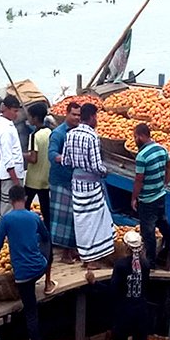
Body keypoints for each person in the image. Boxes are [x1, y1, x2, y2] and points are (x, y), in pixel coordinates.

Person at [0, 185, 51, 340]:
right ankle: (48, 282)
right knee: (48, 245)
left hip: (23, 276)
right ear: (26, 197)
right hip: (40, 267)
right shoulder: (34, 217)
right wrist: (33, 239)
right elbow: (45, 236)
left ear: (11, 201)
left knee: (31, 312)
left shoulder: (7, 220)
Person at [85, 230, 152, 340]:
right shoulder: (145, 265)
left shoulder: (121, 265)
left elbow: (112, 292)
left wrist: (94, 283)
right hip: (141, 311)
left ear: (126, 248)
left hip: (124, 312)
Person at [62, 103, 115, 268]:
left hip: (77, 185)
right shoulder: (92, 136)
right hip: (91, 187)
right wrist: (106, 171)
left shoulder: (70, 134)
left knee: (81, 221)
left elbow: (65, 160)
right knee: (95, 220)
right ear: (92, 117)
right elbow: (96, 165)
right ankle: (91, 259)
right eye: (96, 117)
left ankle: (86, 256)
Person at [132, 124, 170, 269]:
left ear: (141, 136)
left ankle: (150, 263)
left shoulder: (141, 156)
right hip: (160, 195)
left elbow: (139, 179)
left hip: (147, 199)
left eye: (135, 137)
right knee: (163, 222)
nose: (135, 140)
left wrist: (134, 198)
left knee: (148, 230)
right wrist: (165, 182)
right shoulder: (162, 149)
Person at [49, 103, 80, 263]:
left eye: (78, 115)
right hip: (61, 181)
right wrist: (62, 158)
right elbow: (52, 153)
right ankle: (65, 253)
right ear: (66, 114)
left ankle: (73, 249)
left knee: (74, 217)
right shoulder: (58, 134)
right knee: (64, 219)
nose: (76, 118)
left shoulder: (78, 132)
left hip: (73, 180)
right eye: (73, 114)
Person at [0, 95, 26, 216]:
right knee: (9, 208)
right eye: (14, 111)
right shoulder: (5, 129)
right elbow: (7, 157)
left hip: (13, 174)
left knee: (14, 207)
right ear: (5, 109)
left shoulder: (3, 122)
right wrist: (16, 181)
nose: (16, 114)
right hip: (11, 176)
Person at [23, 103, 52, 227]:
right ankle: (48, 233)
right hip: (46, 177)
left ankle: (27, 227)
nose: (28, 119)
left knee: (25, 205)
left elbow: (33, 158)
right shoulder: (49, 132)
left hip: (33, 179)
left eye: (29, 117)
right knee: (45, 208)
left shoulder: (34, 135)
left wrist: (21, 155)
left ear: (35, 118)